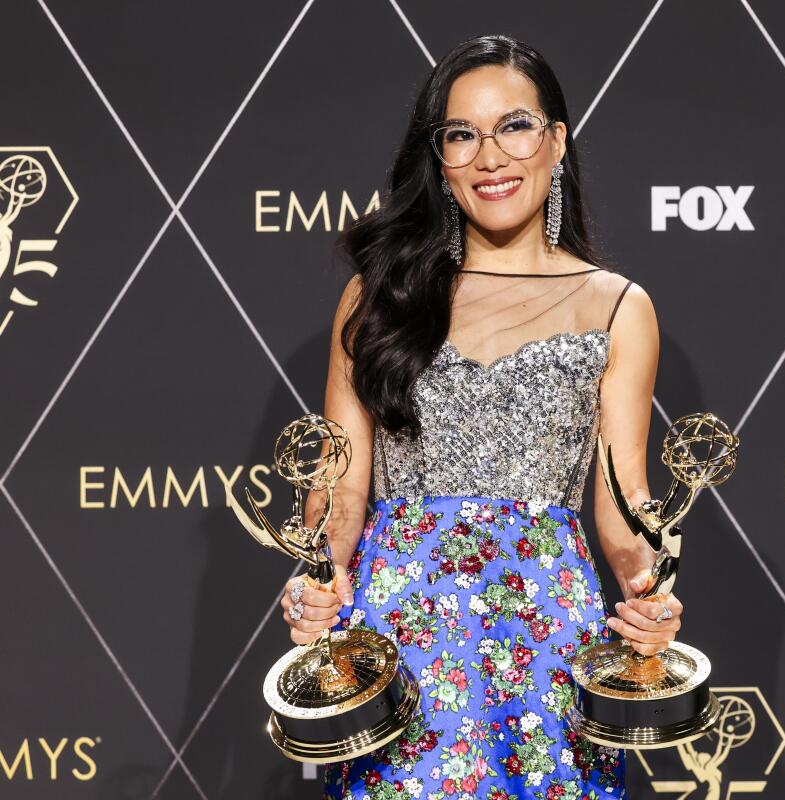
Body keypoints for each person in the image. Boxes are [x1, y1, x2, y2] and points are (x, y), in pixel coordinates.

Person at [278, 34, 684, 800]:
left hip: (549, 645)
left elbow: (623, 508)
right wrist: (315, 587)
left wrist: (651, 593)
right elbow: (337, 499)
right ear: (438, 160)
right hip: (398, 648)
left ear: (557, 142)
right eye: (462, 134)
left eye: (515, 127)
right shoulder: (380, 299)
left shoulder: (618, 307)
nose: (490, 156)